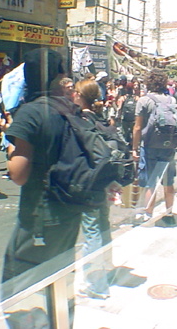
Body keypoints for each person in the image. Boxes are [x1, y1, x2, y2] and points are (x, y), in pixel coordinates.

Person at [2, 48, 82, 326]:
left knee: (20, 282)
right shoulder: (70, 108)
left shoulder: (31, 113)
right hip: (70, 210)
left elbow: (18, 174)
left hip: (39, 216)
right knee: (62, 276)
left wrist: (11, 146)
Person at [73, 79, 116, 299]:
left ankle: (96, 285)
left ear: (80, 96)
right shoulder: (101, 119)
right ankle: (107, 268)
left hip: (89, 183)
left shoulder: (80, 121)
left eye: (75, 92)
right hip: (104, 181)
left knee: (91, 231)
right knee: (103, 225)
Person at [132, 68, 177, 225]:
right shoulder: (171, 100)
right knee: (168, 181)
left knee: (150, 181)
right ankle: (169, 214)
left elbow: (138, 127)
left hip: (149, 145)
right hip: (169, 145)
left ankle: (148, 215)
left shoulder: (144, 101)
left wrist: (134, 148)